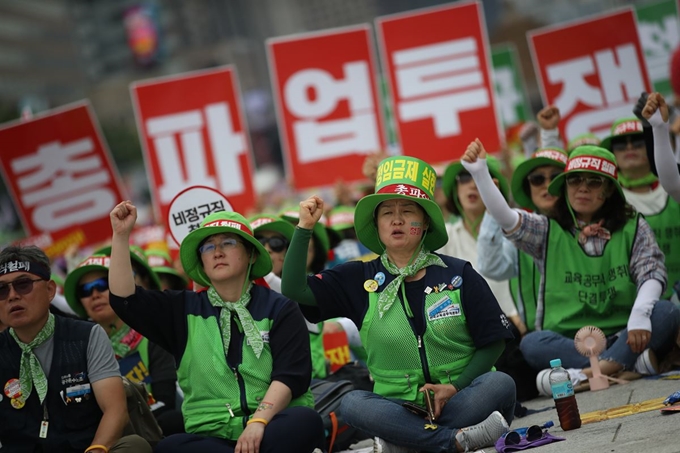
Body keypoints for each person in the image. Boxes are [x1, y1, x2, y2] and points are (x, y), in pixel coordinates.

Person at [282, 156, 515, 453]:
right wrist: (304, 228)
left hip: (462, 397)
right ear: (376, 225)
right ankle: (453, 441)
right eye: (387, 213)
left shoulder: (458, 274)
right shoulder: (358, 277)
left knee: (501, 384)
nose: (397, 219)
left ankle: (410, 442)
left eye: (407, 211)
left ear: (426, 222)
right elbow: (293, 288)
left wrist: (454, 387)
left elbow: (494, 342)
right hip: (399, 407)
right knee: (353, 403)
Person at [107, 202, 324, 453]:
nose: (217, 252)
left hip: (271, 425)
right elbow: (124, 300)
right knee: (171, 448)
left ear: (252, 254)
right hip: (214, 436)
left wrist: (258, 421)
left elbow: (290, 377)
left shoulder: (280, 308)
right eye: (208, 247)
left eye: (228, 243)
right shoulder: (181, 310)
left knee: (303, 422)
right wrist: (121, 236)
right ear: (201, 261)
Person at [461, 139, 680, 383]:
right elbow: (507, 218)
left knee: (666, 311)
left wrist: (639, 315)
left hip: (625, 332)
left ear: (609, 190)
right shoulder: (546, 229)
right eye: (574, 180)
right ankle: (625, 365)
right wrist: (480, 172)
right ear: (565, 188)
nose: (582, 188)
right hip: (569, 341)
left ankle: (586, 375)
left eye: (593, 181)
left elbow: (652, 273)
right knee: (533, 343)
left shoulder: (634, 226)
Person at [0, 245, 151, 452]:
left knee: (134, 446)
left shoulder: (87, 336)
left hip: (87, 449)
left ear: (50, 290)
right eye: (2, 290)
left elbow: (115, 411)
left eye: (23, 284)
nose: (12, 296)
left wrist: (96, 450)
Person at [63, 253, 185, 436]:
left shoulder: (151, 333)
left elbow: (165, 400)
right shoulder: (75, 349)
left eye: (102, 285)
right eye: (85, 290)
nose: (94, 294)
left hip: (154, 427)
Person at [438, 156, 524, 335]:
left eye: (481, 177)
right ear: (455, 190)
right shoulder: (445, 235)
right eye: (464, 178)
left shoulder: (514, 233)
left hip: (516, 328)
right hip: (466, 332)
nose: (472, 184)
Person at [600, 111, 680, 302]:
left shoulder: (675, 187)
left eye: (637, 141)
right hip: (638, 306)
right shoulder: (604, 201)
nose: (629, 147)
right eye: (620, 143)